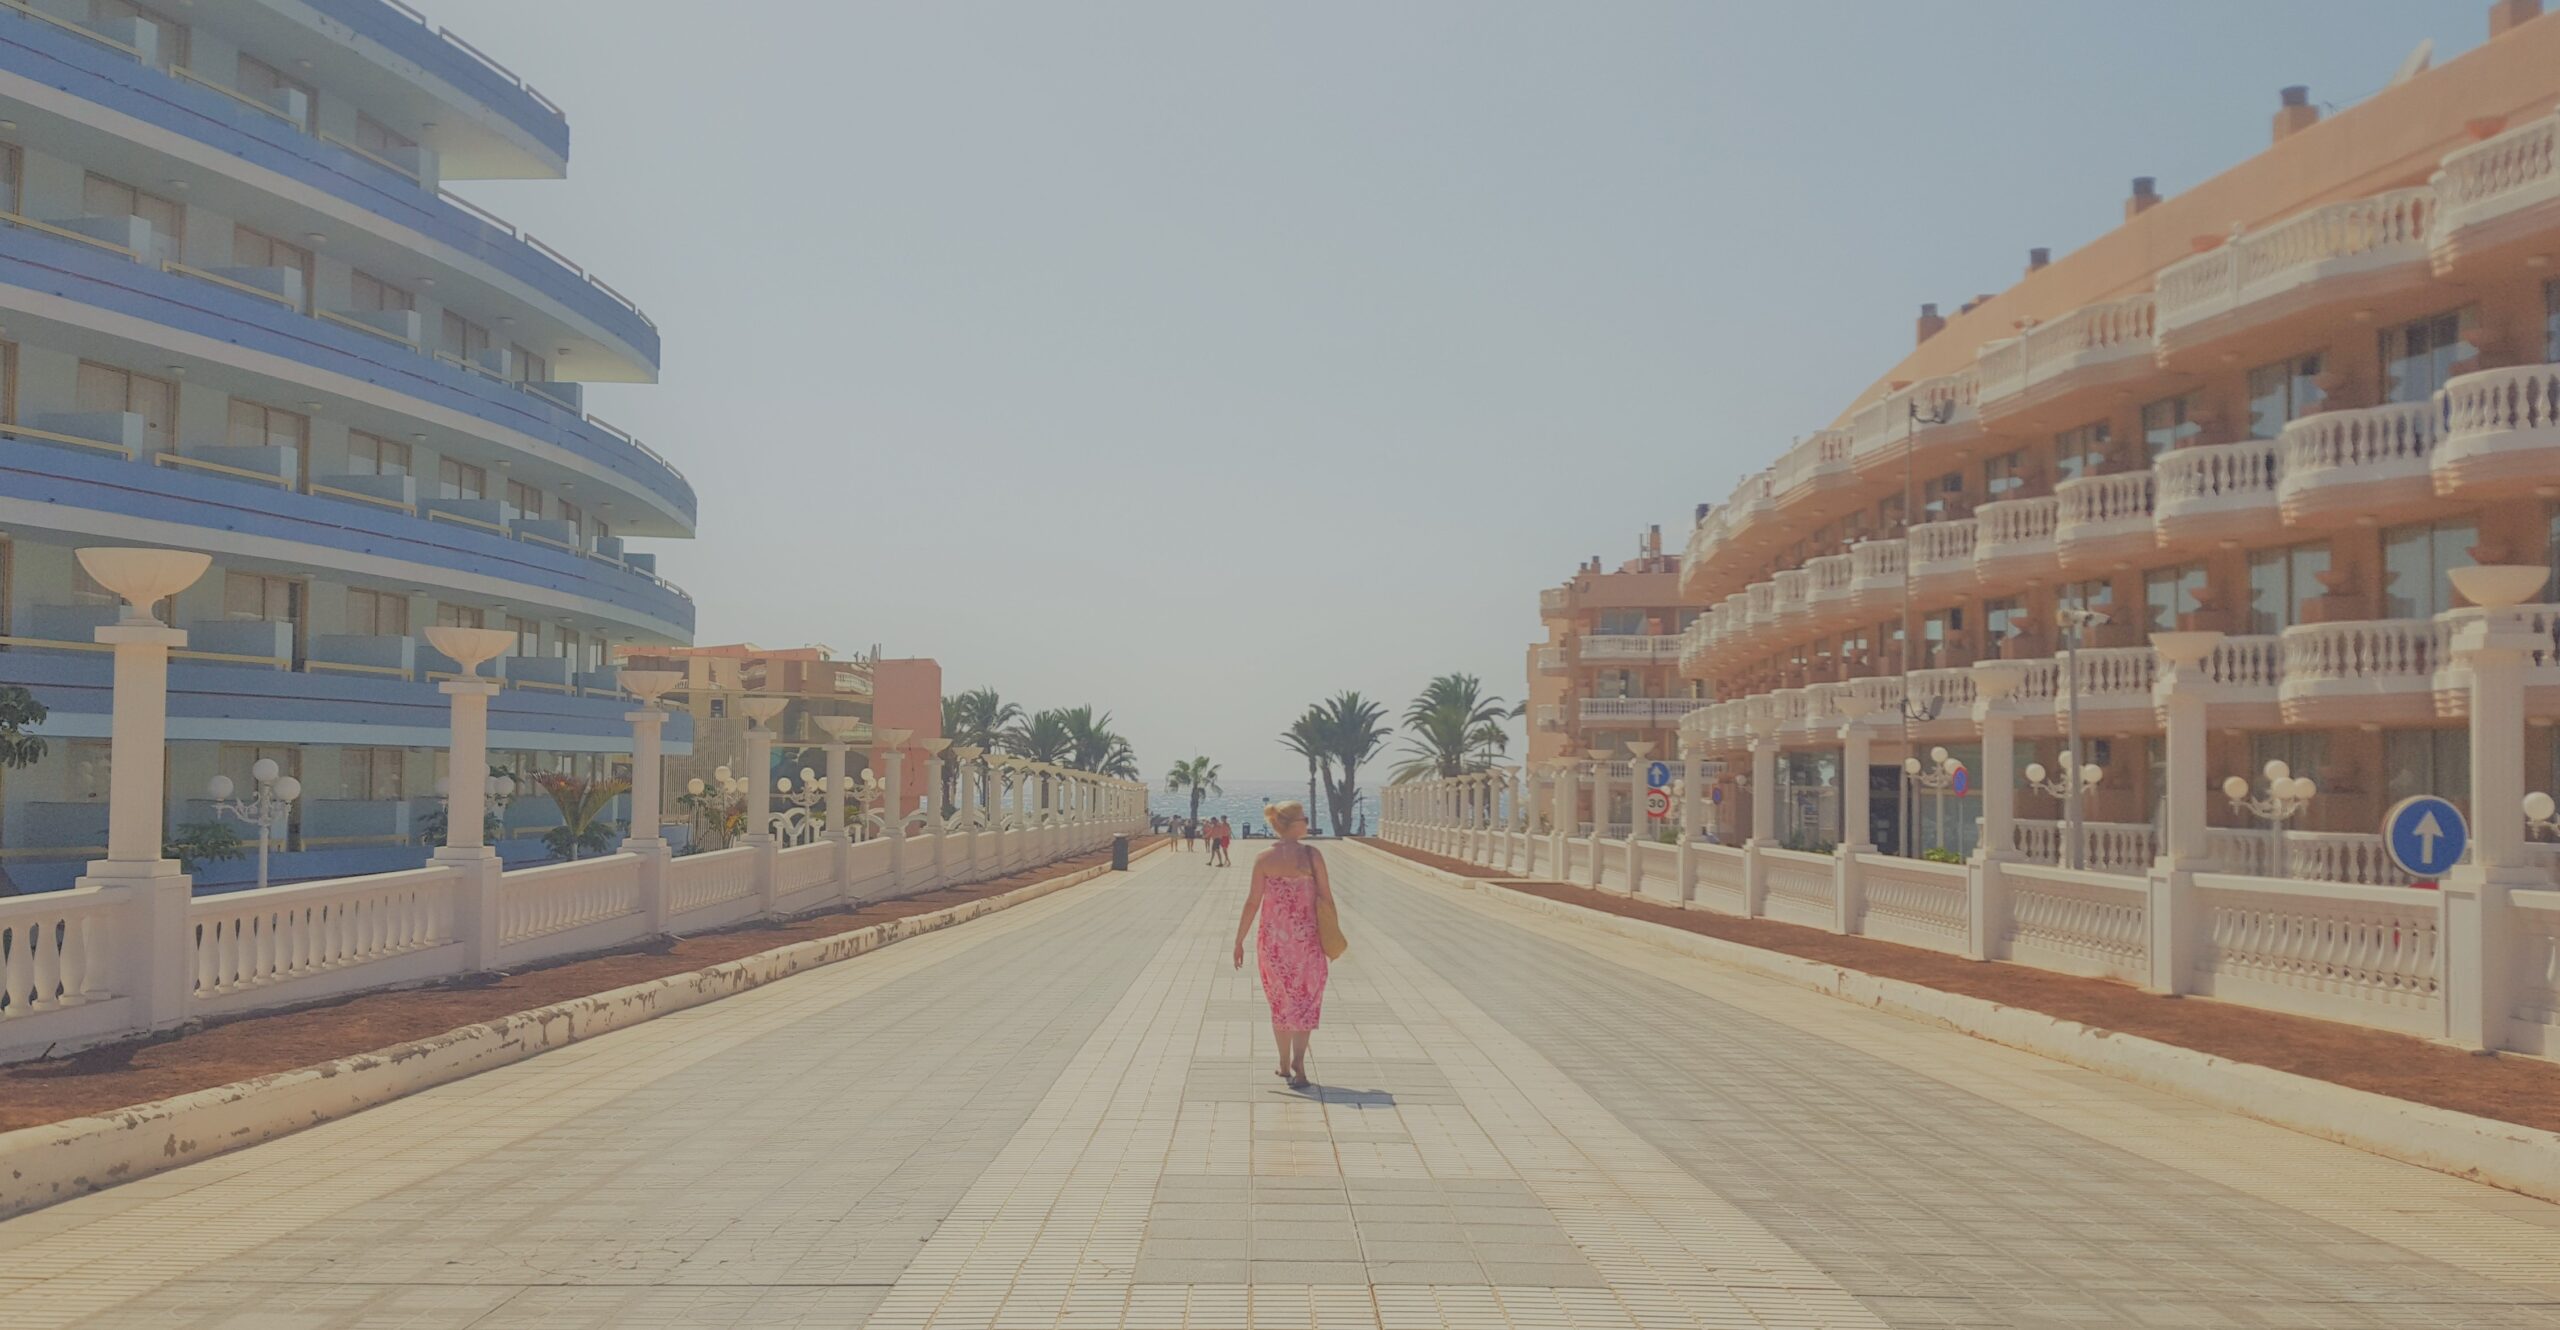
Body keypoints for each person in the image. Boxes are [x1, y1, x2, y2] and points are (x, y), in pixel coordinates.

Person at [1233, 800, 1334, 1088]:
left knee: (1281, 1001)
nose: (1307, 822)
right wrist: (1332, 931)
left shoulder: (1263, 859)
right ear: (1292, 824)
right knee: (1306, 999)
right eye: (1304, 818)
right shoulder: (1311, 856)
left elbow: (1253, 902)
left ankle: (1282, 1063)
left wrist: (1239, 940)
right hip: (1308, 942)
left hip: (1273, 943)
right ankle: (1299, 1059)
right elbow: (1326, 897)